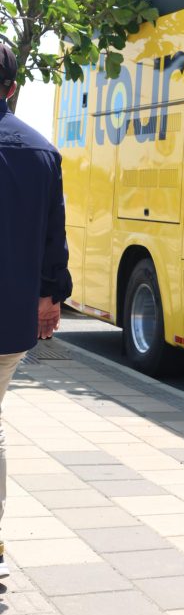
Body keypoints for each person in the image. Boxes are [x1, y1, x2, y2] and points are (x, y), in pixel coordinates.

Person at [0, 44, 72, 579]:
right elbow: (53, 241)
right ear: (10, 89)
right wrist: (49, 299)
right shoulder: (41, 152)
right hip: (7, 326)